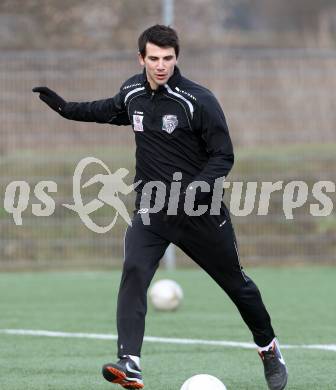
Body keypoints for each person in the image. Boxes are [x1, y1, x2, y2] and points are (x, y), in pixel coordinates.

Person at [33, 24, 288, 390]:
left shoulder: (198, 100)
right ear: (141, 58)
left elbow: (223, 156)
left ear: (176, 58)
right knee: (134, 270)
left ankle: (268, 348)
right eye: (153, 58)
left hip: (201, 213)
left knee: (237, 286)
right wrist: (63, 107)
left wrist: (195, 190)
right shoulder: (133, 92)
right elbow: (104, 109)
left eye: (168, 58)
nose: (161, 65)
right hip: (152, 211)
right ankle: (130, 362)